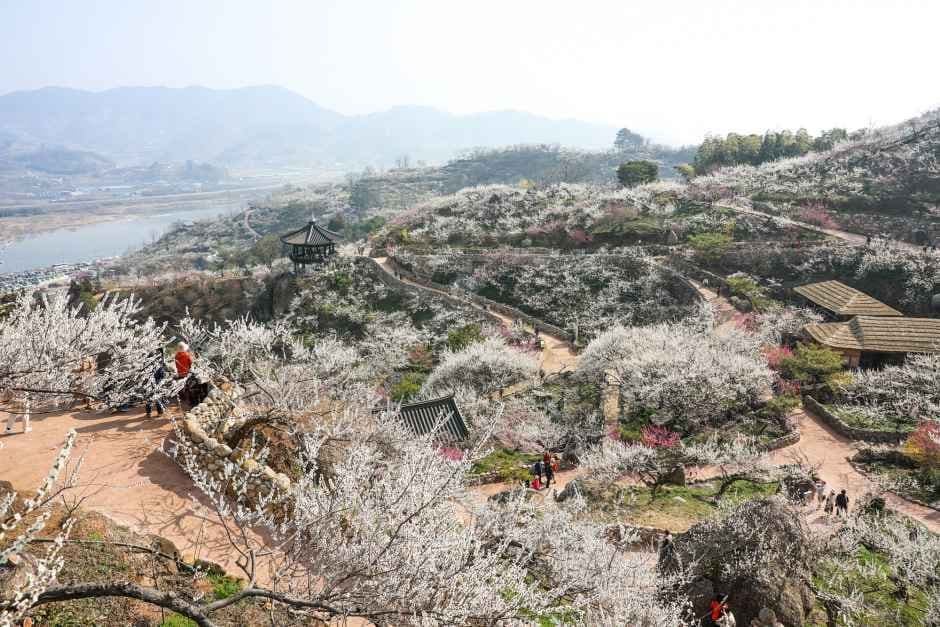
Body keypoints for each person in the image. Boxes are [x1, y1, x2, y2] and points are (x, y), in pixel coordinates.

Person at [145, 352, 167, 418]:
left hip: (150, 384)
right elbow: (162, 375)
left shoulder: (147, 364)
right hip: (156, 383)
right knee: (157, 398)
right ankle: (159, 412)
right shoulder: (159, 365)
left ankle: (149, 413)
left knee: (149, 398)